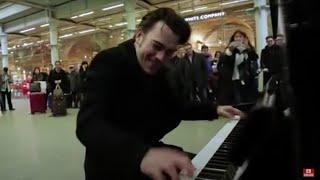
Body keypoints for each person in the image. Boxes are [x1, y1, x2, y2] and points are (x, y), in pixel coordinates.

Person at [76, 8, 243, 180]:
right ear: (139, 35)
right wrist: (142, 154)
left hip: (149, 153)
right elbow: (89, 125)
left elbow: (175, 106)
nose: (161, 57)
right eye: (156, 46)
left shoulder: (162, 71)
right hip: (114, 165)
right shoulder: (109, 61)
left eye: (169, 52)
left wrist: (215, 110)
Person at [217, 30, 259, 105]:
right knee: (237, 99)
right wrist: (229, 51)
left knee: (246, 98)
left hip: (246, 77)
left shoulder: (247, 48)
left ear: (244, 38)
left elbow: (255, 57)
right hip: (233, 78)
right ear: (233, 39)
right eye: (236, 37)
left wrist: (248, 47)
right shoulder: (230, 49)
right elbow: (223, 60)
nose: (238, 38)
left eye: (240, 36)